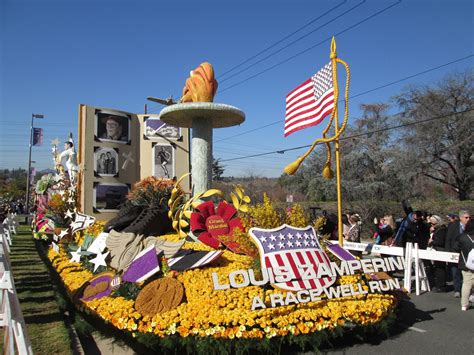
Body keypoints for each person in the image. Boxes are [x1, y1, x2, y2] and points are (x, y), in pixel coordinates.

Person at [445, 210, 471, 298]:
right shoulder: (453, 225)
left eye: (469, 217)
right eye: (466, 217)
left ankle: (466, 290)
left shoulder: (470, 227)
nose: (468, 219)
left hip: (466, 254)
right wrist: (447, 252)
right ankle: (457, 290)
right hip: (454, 251)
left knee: (466, 273)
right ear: (461, 218)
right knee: (455, 271)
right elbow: (448, 238)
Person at [453, 220, 473, 310]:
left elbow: (456, 247)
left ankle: (464, 305)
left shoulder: (462, 237)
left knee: (466, 284)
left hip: (466, 264)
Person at [427, 215, 448, 292]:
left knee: (440, 268)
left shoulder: (441, 230)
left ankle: (441, 285)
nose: (432, 226)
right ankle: (440, 284)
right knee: (438, 267)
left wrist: (432, 241)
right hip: (437, 250)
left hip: (440, 250)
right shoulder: (438, 229)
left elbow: (440, 241)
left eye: (433, 224)